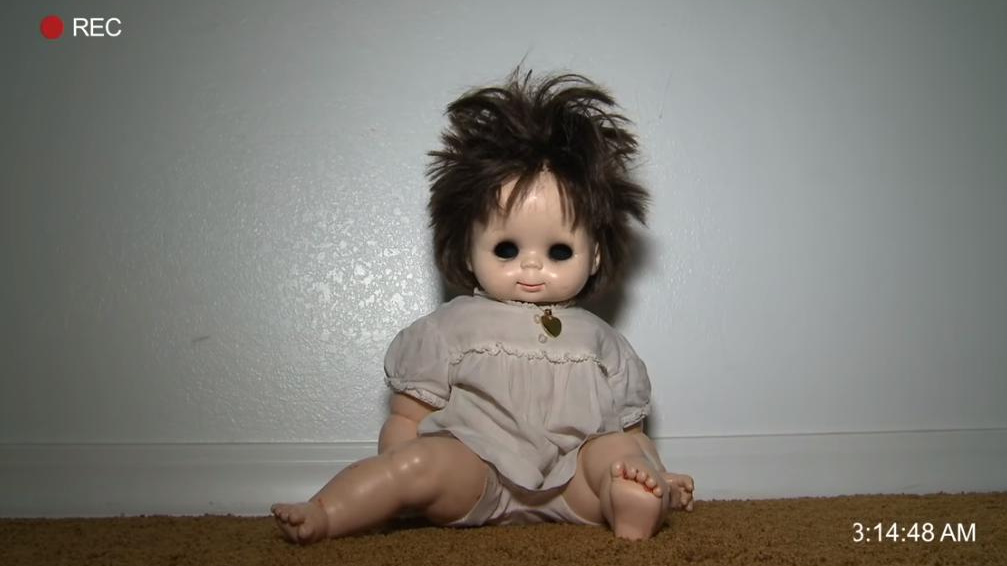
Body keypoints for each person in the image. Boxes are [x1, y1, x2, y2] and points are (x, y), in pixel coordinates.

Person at [272, 69, 694, 543]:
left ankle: (633, 502)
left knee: (615, 453)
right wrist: (402, 467)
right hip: (475, 471)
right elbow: (408, 416)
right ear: (468, 249)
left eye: (559, 251)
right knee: (418, 462)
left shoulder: (602, 341)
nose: (531, 267)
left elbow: (632, 431)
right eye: (506, 249)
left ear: (594, 255)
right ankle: (326, 513)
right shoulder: (452, 327)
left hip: (575, 482)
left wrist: (652, 467)